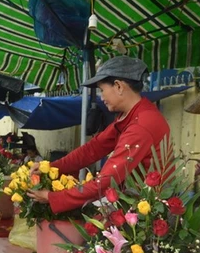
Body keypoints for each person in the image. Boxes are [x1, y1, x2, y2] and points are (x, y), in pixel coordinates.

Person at [28, 56, 170, 213]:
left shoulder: (141, 124)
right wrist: (51, 167)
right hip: (136, 204)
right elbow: (92, 149)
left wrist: (52, 197)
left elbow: (106, 181)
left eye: (102, 90)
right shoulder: (129, 115)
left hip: (152, 212)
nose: (102, 98)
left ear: (118, 86)